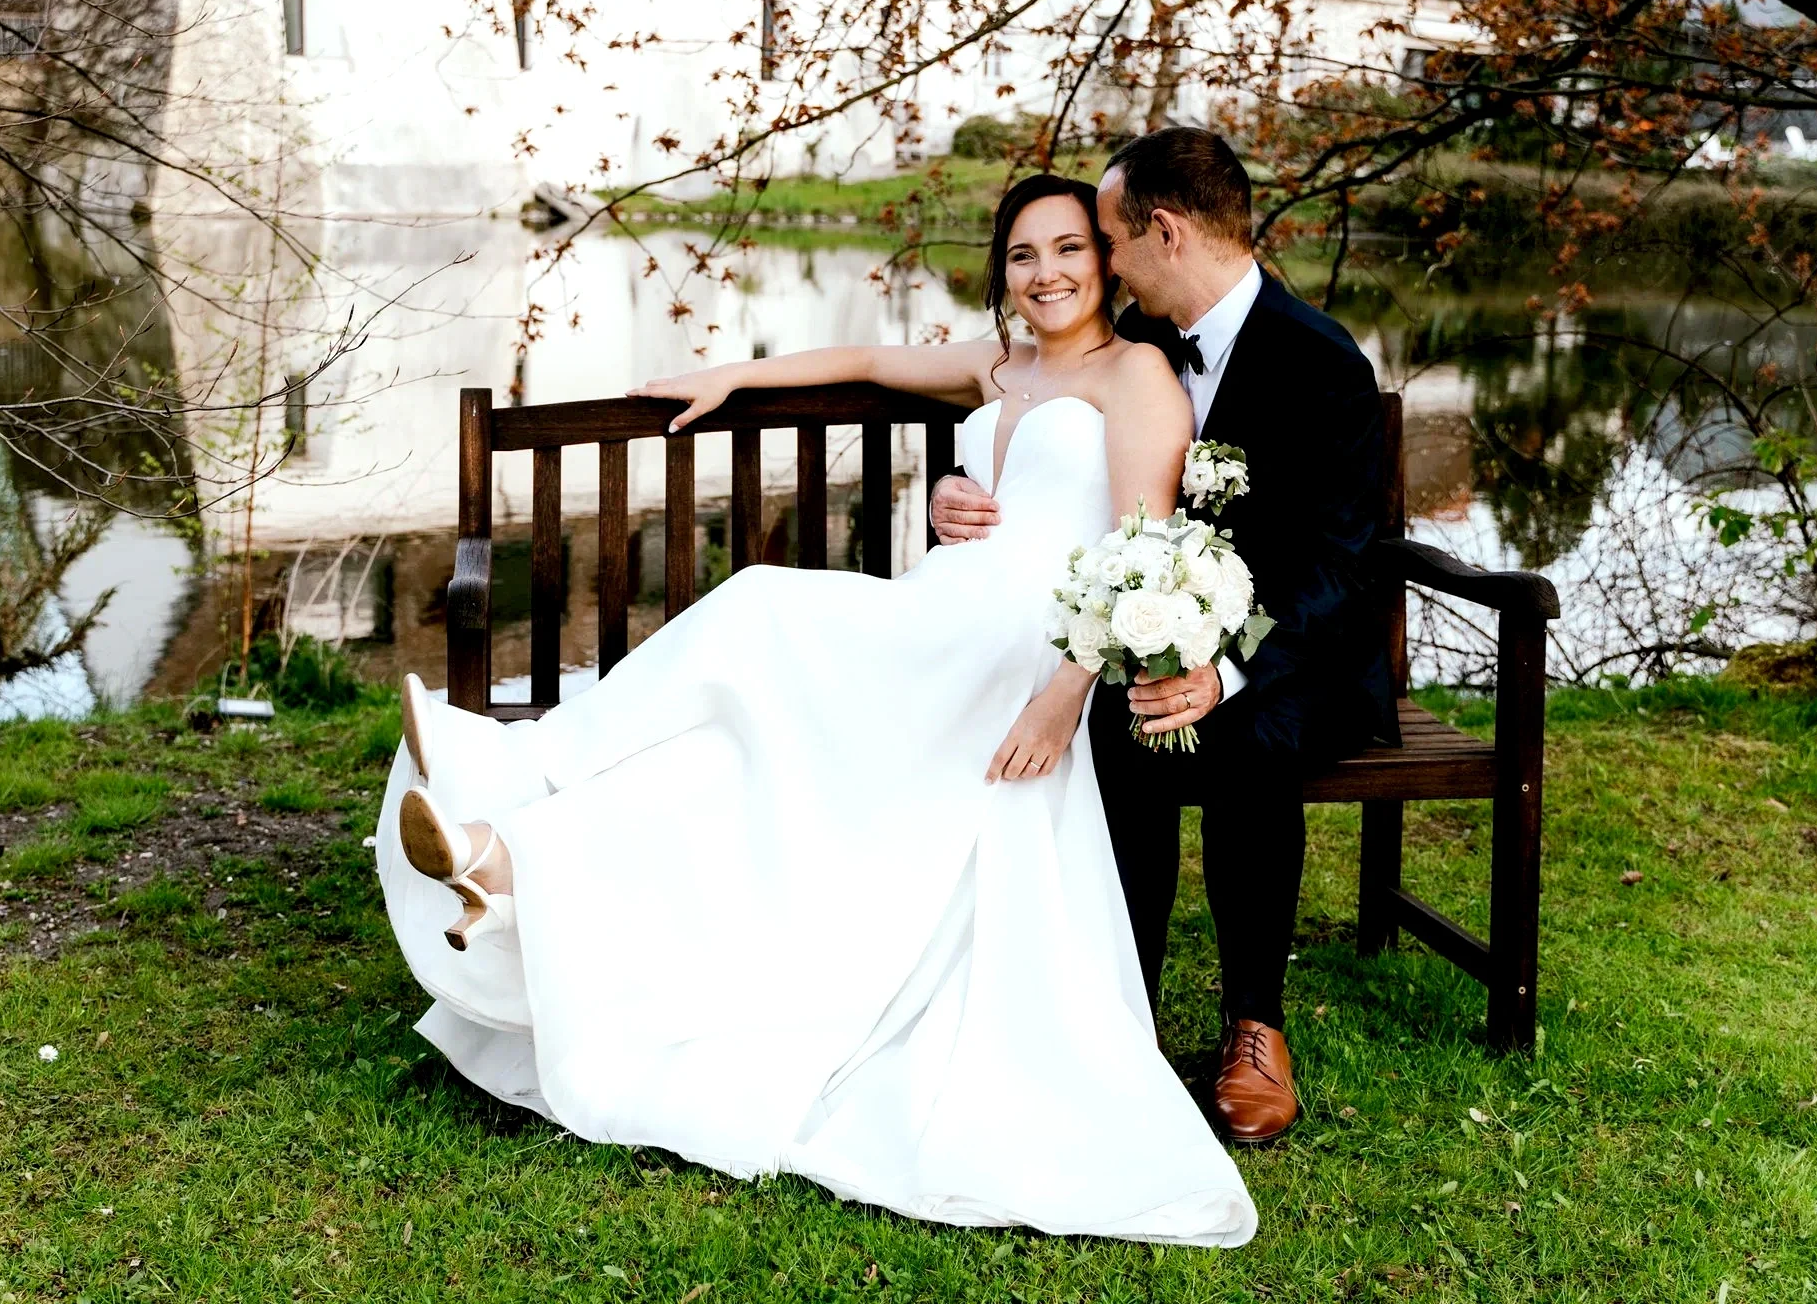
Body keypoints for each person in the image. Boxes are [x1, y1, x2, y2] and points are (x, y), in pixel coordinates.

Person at [376, 175, 1258, 1244]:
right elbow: (868, 361)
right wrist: (730, 376)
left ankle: (526, 776)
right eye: (1022, 255)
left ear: (1108, 261)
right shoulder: (1000, 366)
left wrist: (1062, 698)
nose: (1047, 274)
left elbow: (1138, 555)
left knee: (758, 610)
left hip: (1019, 648)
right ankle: (502, 857)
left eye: (1069, 249)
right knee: (722, 757)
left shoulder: (1136, 374)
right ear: (1001, 270)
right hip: (943, 613)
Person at [931, 128, 1393, 1146]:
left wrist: (1224, 671)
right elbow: (1034, 426)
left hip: (1294, 651)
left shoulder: (1318, 362)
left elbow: (1339, 570)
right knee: (1119, 723)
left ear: (1165, 232)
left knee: (1247, 738)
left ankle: (1255, 1025)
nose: (1095, 256)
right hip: (1149, 629)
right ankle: (1119, 1006)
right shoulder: (1139, 341)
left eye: (1104, 234)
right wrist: (955, 487)